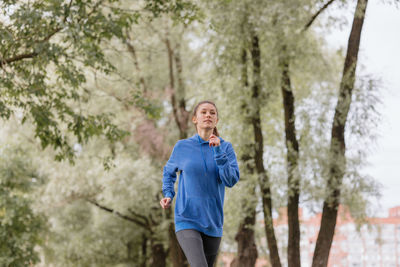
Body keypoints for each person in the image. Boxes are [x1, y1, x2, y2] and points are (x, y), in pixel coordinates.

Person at [160, 100, 240, 267]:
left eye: (212, 112)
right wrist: (168, 194)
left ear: (216, 120)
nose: (208, 115)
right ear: (195, 119)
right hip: (187, 218)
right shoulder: (182, 147)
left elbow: (231, 180)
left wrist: (218, 151)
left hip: (213, 222)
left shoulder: (225, 148)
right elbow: (168, 172)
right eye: (203, 112)